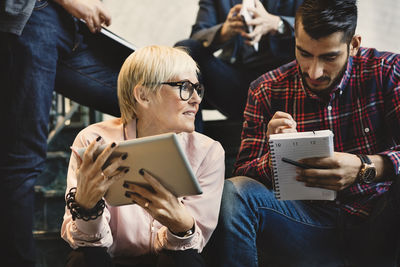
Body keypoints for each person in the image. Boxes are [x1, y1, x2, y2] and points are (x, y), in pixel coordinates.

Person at [206, 0, 400, 266]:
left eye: (329, 57)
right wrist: (273, 151)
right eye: (304, 53)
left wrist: (365, 166)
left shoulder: (387, 72)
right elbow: (241, 175)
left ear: (353, 45)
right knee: (235, 193)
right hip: (306, 225)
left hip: (381, 223)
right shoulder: (265, 90)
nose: (314, 71)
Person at [61, 45, 225, 267]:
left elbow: (193, 245)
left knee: (186, 261)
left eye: (198, 89)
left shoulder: (208, 151)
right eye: (185, 87)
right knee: (83, 259)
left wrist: (181, 225)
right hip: (109, 258)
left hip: (171, 256)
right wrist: (87, 208)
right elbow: (87, 243)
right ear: (143, 95)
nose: (196, 99)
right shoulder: (93, 141)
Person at [0, 0, 133, 266]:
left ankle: (175, 234)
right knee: (22, 160)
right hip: (34, 17)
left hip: (74, 28)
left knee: (159, 94)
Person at [175, 0, 303, 131]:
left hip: (286, 84)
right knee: (185, 50)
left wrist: (279, 24)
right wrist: (223, 32)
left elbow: (320, 25)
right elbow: (196, 37)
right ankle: (191, 142)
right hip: (236, 85)